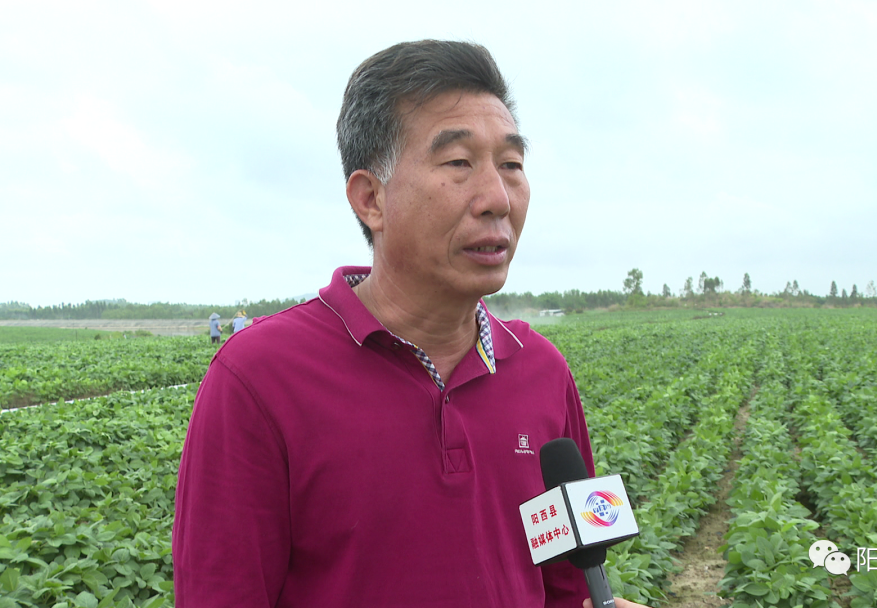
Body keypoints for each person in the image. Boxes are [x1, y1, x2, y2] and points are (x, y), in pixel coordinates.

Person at [172, 40, 650, 608]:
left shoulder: (542, 370)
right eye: (458, 163)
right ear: (370, 199)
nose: (497, 198)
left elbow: (570, 590)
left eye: (512, 165)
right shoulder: (258, 378)